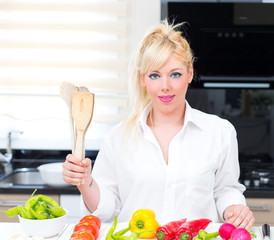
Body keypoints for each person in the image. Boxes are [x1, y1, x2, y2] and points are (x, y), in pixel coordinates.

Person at [62, 20, 255, 228]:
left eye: (175, 74)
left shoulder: (220, 132)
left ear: (190, 74)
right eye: (155, 75)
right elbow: (107, 210)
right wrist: (85, 182)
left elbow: (226, 189)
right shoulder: (118, 137)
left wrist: (234, 208)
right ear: (143, 79)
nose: (165, 86)